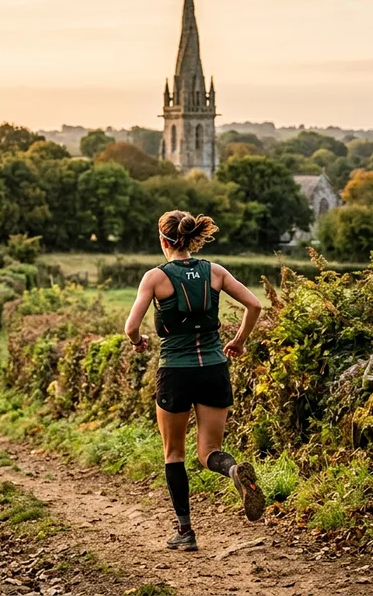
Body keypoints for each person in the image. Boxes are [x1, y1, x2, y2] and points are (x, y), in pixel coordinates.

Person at [123, 210, 265, 552]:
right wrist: (239, 341)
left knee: (174, 453)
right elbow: (255, 305)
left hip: (175, 371)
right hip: (214, 368)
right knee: (209, 451)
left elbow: (131, 326)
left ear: (164, 240)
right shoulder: (215, 271)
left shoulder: (155, 278)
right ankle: (232, 470)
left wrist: (137, 342)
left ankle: (185, 532)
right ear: (190, 238)